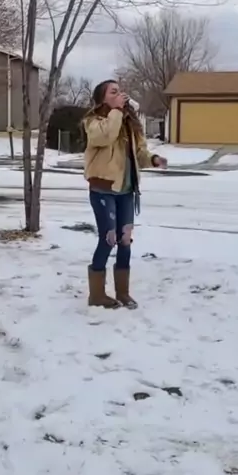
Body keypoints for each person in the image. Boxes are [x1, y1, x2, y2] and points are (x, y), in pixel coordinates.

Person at [83, 79, 167, 309]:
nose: (120, 94)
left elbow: (139, 151)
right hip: (103, 188)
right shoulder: (93, 121)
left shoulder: (128, 122)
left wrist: (153, 159)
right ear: (102, 98)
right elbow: (105, 137)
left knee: (125, 241)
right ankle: (97, 295)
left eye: (120, 91)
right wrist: (117, 111)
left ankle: (123, 293)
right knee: (108, 240)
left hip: (127, 190)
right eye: (114, 92)